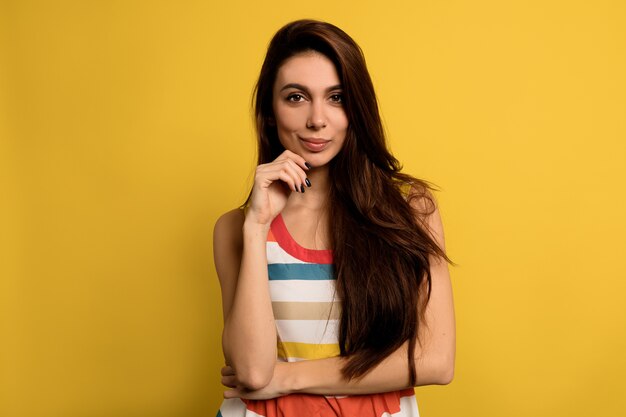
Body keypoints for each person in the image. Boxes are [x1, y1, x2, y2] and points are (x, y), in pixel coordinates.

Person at [213, 19, 455, 417]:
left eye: (336, 97)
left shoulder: (410, 211)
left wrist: (288, 377)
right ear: (270, 112)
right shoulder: (236, 228)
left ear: (356, 108)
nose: (317, 120)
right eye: (296, 97)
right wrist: (257, 227)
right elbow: (253, 372)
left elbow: (435, 360)